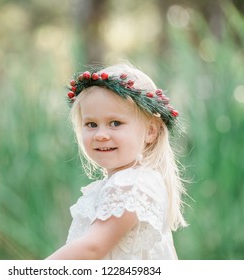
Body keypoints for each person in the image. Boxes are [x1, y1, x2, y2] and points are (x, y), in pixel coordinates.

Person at [46, 63, 187, 260]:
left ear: (150, 131)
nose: (101, 135)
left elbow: (93, 248)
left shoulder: (132, 185)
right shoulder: (124, 182)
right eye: (91, 124)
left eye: (115, 123)